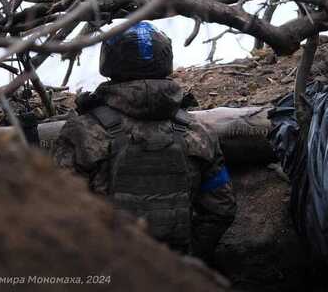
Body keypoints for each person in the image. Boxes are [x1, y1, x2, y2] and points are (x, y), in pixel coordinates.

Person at [53, 21, 236, 263]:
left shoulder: (82, 131)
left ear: (109, 62)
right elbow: (222, 207)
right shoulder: (197, 131)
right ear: (165, 60)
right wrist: (189, 260)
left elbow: (57, 211)